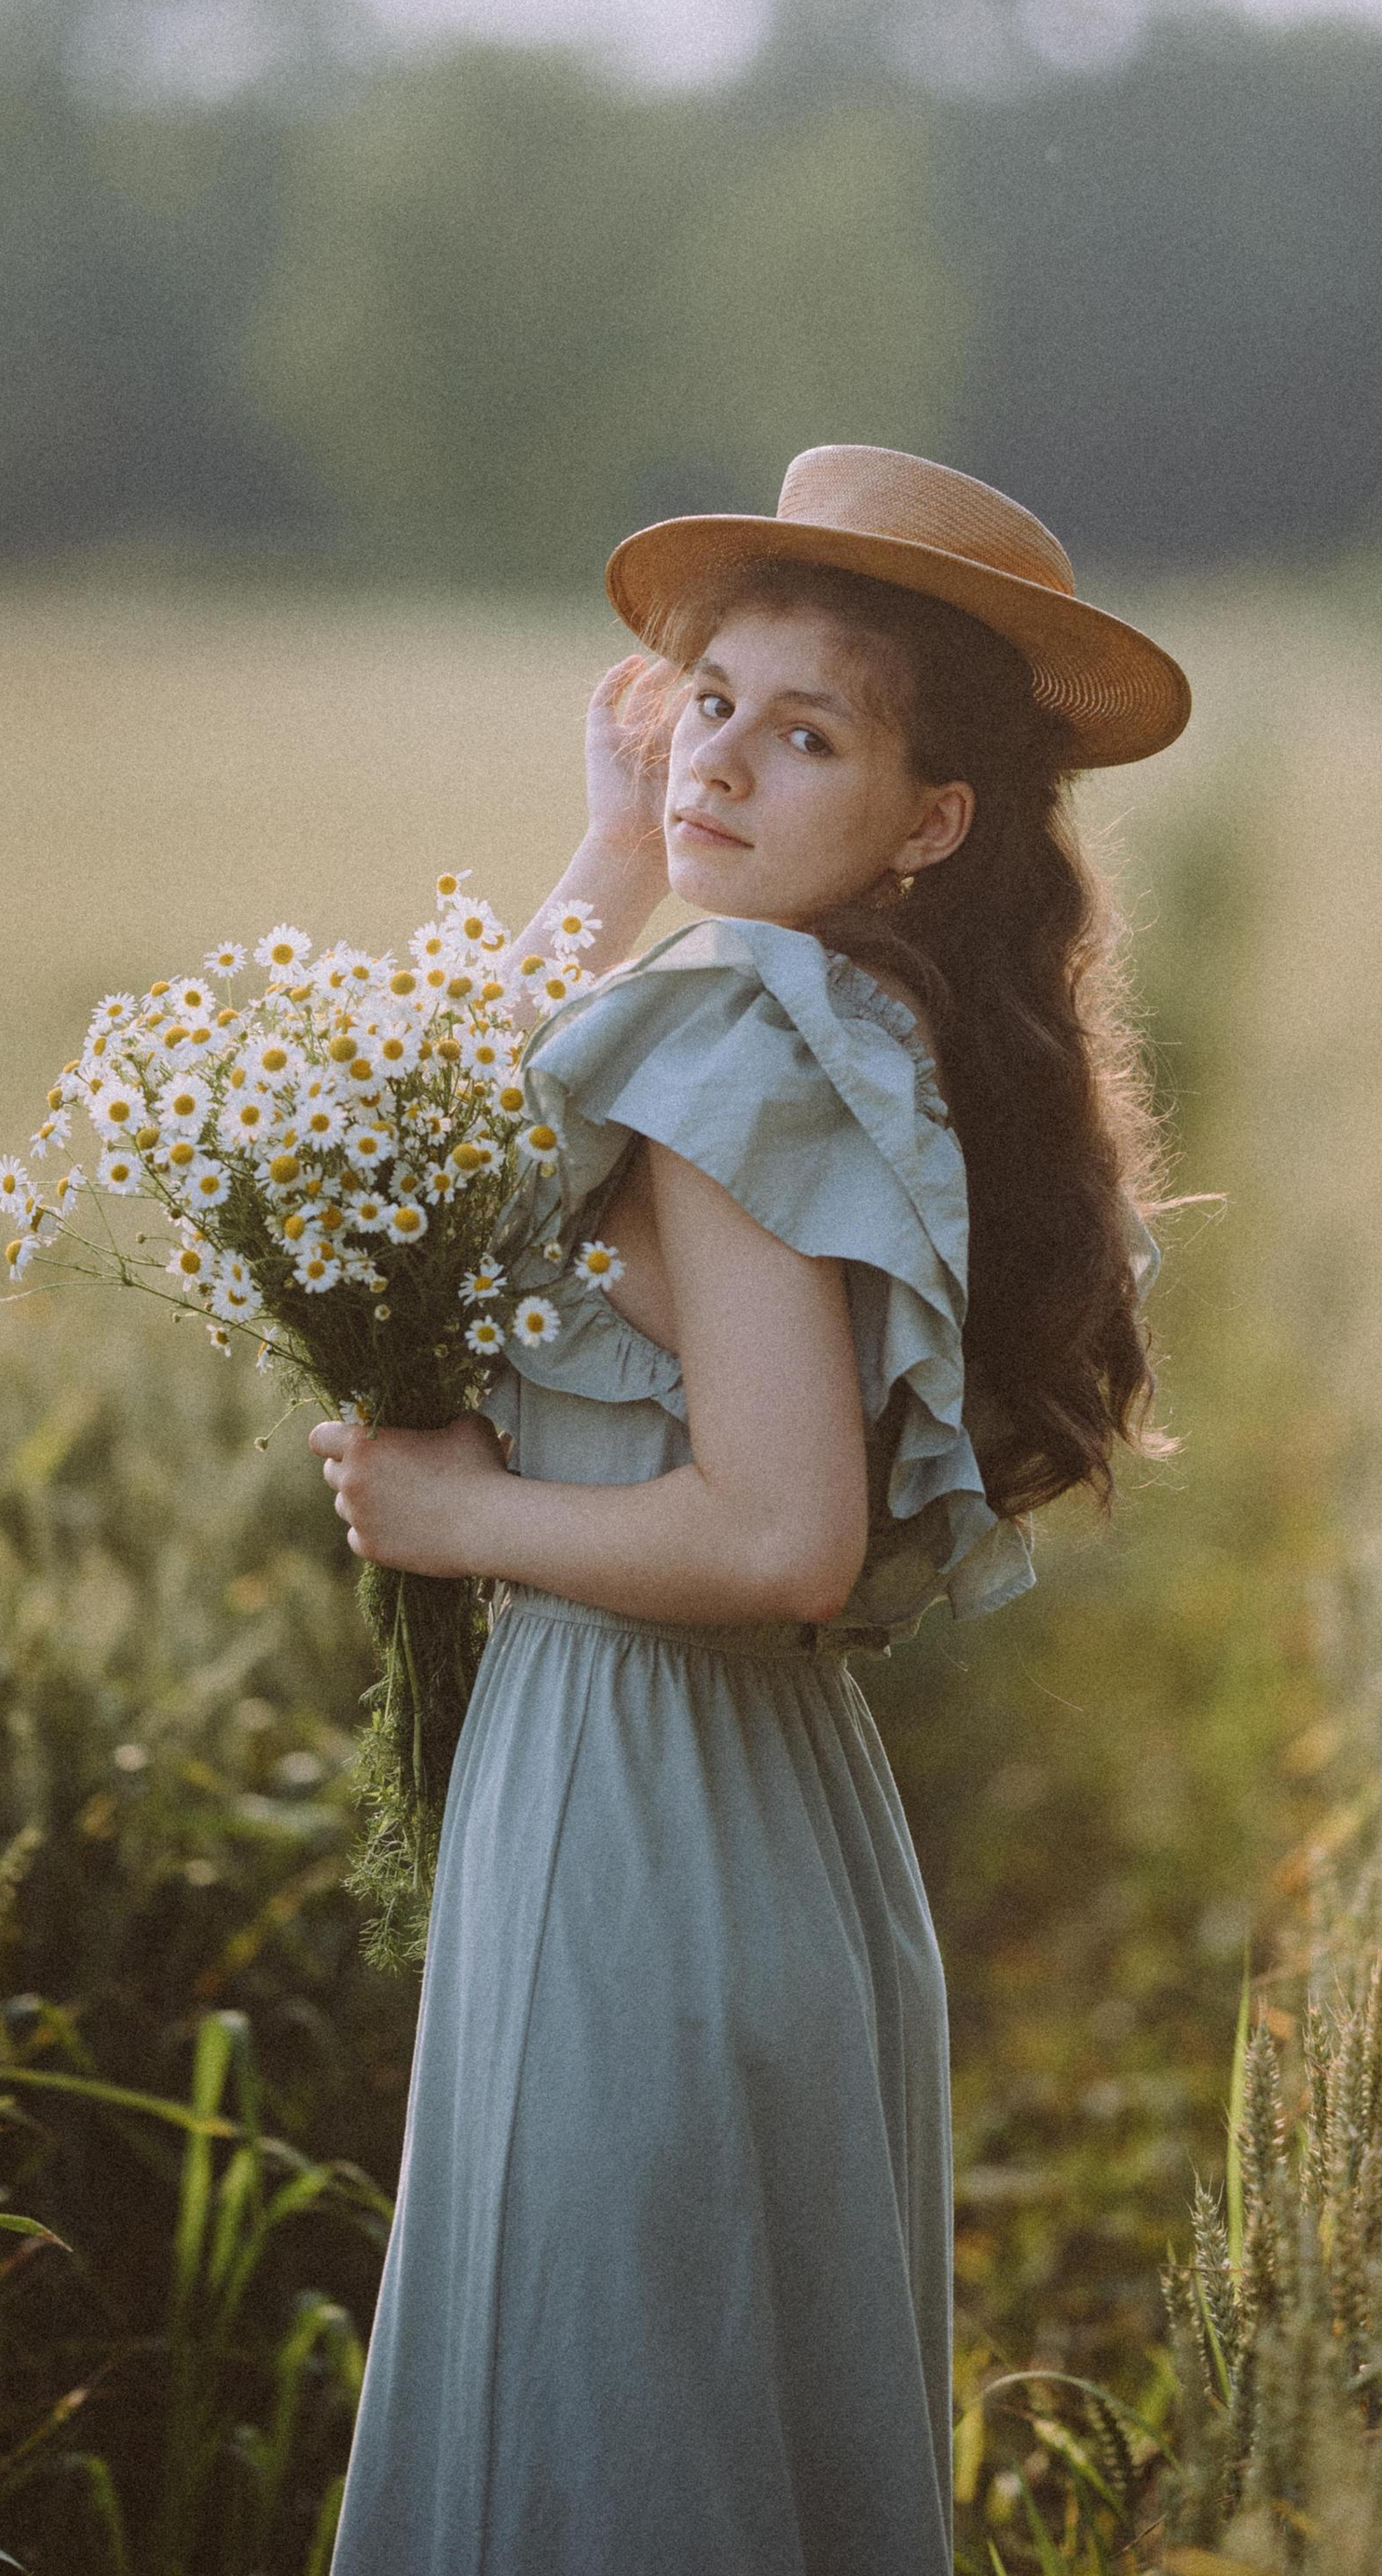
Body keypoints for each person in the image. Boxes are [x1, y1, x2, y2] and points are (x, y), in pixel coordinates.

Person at [311, 444, 1192, 2576]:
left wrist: (450, 1520)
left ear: (926, 819)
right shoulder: (853, 1026)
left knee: (607, 2442)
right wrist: (610, 853)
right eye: (714, 701)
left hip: (641, 1807)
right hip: (760, 1808)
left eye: (808, 736)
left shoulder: (724, 1045)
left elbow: (779, 1536)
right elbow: (435, 1168)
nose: (725, 759)